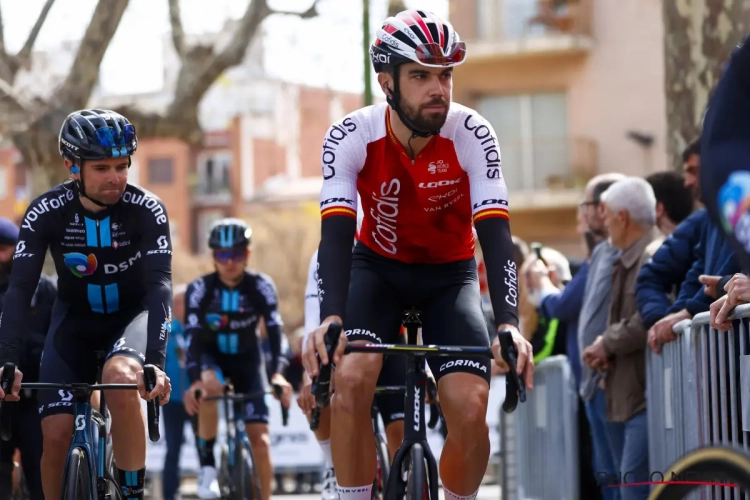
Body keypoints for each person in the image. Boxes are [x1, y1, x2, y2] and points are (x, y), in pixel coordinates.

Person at [302, 10, 533, 500]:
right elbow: (336, 233)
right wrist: (330, 318)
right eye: (421, 75)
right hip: (376, 270)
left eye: (445, 74)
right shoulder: (351, 135)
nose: (438, 89)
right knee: (352, 379)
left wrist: (508, 323)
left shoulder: (472, 132)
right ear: (387, 82)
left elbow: (496, 232)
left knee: (471, 412)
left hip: (449, 277)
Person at [0, 109, 173, 500]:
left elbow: (160, 286)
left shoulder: (147, 209)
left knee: (120, 376)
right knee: (56, 433)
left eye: (121, 166)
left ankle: (132, 493)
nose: (115, 177)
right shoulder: (47, 210)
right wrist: (7, 358)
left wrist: (156, 364)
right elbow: (19, 290)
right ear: (72, 166)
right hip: (74, 323)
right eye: (101, 168)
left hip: (132, 318)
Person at [297, 203, 410, 499]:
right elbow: (313, 317)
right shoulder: (324, 258)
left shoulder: (394, 248)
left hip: (391, 348)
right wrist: (311, 375)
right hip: (343, 348)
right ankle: (334, 466)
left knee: (399, 432)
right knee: (320, 397)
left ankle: (402, 482)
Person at [181, 218, 293, 500]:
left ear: (248, 255)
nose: (229, 262)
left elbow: (278, 334)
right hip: (211, 358)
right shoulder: (200, 289)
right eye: (222, 255)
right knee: (209, 386)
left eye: (237, 255)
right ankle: (207, 469)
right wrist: (194, 379)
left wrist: (278, 373)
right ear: (213, 257)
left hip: (248, 362)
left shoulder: (261, 286)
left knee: (262, 442)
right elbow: (192, 338)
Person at [582, 177, 660, 500]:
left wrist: (606, 343)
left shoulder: (651, 256)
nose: (605, 223)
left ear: (623, 217)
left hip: (643, 398)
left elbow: (648, 319)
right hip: (624, 395)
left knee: (633, 492)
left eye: (609, 215)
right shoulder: (625, 256)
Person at [0, 217, 56, 500]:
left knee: (39, 476)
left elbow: (61, 336)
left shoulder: (45, 290)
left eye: (5, 249)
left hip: (35, 397)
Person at [162, 285, 190, 500]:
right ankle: (169, 495)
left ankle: (209, 488)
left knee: (204, 447)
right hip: (172, 401)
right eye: (177, 302)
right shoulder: (167, 330)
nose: (181, 306)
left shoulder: (196, 329)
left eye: (184, 301)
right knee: (172, 451)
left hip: (196, 399)